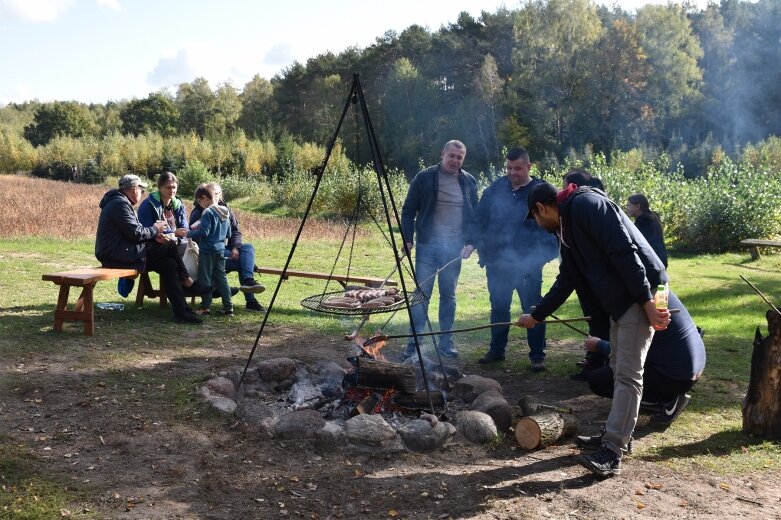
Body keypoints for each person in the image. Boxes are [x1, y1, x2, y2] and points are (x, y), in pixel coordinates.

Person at [517, 180, 669, 478]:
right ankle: (616, 435)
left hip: (639, 296)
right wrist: (538, 314)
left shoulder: (587, 206)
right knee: (617, 367)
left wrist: (647, 301)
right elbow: (567, 278)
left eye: (535, 217)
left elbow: (624, 252)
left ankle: (612, 452)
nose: (537, 224)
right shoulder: (566, 226)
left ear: (541, 208)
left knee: (628, 375)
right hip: (622, 300)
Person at [474, 147, 558, 370]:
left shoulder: (540, 191)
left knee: (532, 308)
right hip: (498, 263)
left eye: (518, 168)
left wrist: (540, 257)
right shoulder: (495, 189)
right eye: (509, 168)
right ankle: (497, 350)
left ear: (529, 167)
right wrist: (479, 247)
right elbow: (480, 219)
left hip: (528, 264)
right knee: (499, 306)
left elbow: (554, 227)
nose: (513, 172)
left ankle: (537, 355)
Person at [577, 290, 705, 429]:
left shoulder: (639, 304)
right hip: (692, 367)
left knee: (598, 380)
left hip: (673, 375)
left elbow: (632, 352)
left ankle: (665, 400)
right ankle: (664, 396)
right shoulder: (660, 292)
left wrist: (599, 345)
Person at [400, 139, 478, 359]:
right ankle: (414, 343)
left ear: (463, 159)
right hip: (426, 246)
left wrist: (472, 243)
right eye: (451, 155)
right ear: (442, 153)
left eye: (459, 157)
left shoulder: (469, 181)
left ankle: (446, 341)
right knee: (421, 296)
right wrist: (407, 238)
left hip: (453, 248)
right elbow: (408, 211)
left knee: (448, 296)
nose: (455, 160)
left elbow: (475, 218)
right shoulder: (424, 178)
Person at [95, 174, 203, 324]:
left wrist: (154, 236)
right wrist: (155, 229)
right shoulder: (119, 204)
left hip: (123, 251)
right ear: (133, 189)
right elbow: (136, 233)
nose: (142, 193)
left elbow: (134, 232)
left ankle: (181, 311)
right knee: (170, 245)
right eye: (141, 189)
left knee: (169, 264)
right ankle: (188, 281)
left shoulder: (121, 202)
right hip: (115, 255)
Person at [189, 182, 266, 312]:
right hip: (220, 249)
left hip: (213, 249)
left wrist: (235, 247)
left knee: (247, 248)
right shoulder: (200, 212)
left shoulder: (218, 210)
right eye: (215, 194)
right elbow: (226, 232)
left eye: (218, 194)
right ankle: (239, 302)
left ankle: (248, 282)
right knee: (242, 264)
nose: (218, 197)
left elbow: (234, 232)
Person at [176, 185, 233, 316]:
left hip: (207, 250)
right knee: (221, 277)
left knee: (205, 278)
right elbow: (229, 233)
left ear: (204, 198)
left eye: (199, 202)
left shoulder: (207, 212)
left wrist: (188, 233)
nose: (200, 205)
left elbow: (204, 233)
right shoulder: (225, 211)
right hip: (220, 249)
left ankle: (205, 306)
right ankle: (228, 306)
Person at [626, 193, 668, 267]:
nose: (627, 208)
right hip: (659, 260)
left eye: (629, 205)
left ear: (638, 206)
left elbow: (641, 245)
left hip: (652, 263)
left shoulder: (644, 222)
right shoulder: (651, 218)